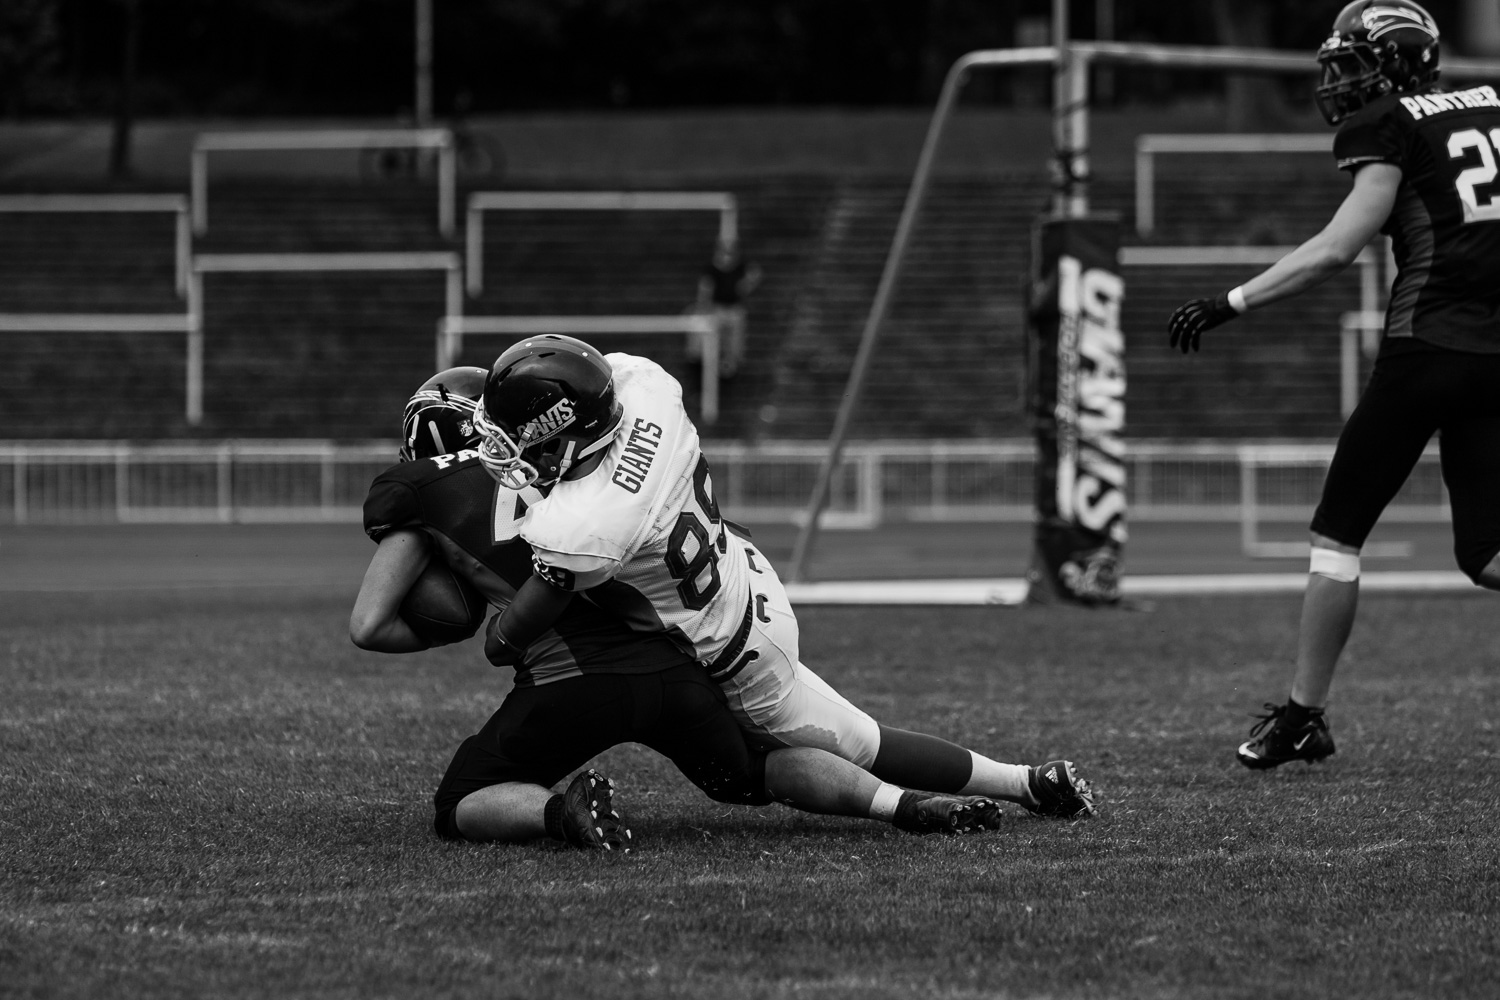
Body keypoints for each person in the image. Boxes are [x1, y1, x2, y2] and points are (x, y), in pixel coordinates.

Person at [350, 367, 1004, 848]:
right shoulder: (593, 462)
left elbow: (370, 625)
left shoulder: (416, 489)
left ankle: (563, 813)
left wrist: (464, 617)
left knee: (460, 801)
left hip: (571, 682)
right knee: (749, 774)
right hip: (678, 658)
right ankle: (901, 805)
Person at [470, 336, 1096, 819]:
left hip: (734, 651)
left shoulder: (586, 525)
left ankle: (1024, 783)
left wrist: (492, 625)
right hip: (742, 575)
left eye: (519, 438)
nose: (509, 453)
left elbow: (508, 638)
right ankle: (1020, 783)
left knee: (855, 740)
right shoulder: (643, 386)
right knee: (841, 730)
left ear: (561, 430)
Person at [1166, 0, 1500, 768]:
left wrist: (1230, 301)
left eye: (1354, 63)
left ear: (1401, 62)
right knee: (1486, 552)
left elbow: (1336, 248)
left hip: (1427, 347)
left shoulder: (1387, 125)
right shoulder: (1489, 104)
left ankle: (1303, 715)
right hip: (1496, 358)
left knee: (1336, 537)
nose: (1342, 80)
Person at [689, 236, 761, 378]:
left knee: (735, 332)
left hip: (734, 310)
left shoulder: (740, 266)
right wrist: (704, 304)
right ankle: (704, 358)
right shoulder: (712, 269)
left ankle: (731, 362)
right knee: (708, 330)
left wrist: (746, 285)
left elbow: (755, 273)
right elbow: (705, 288)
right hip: (717, 309)